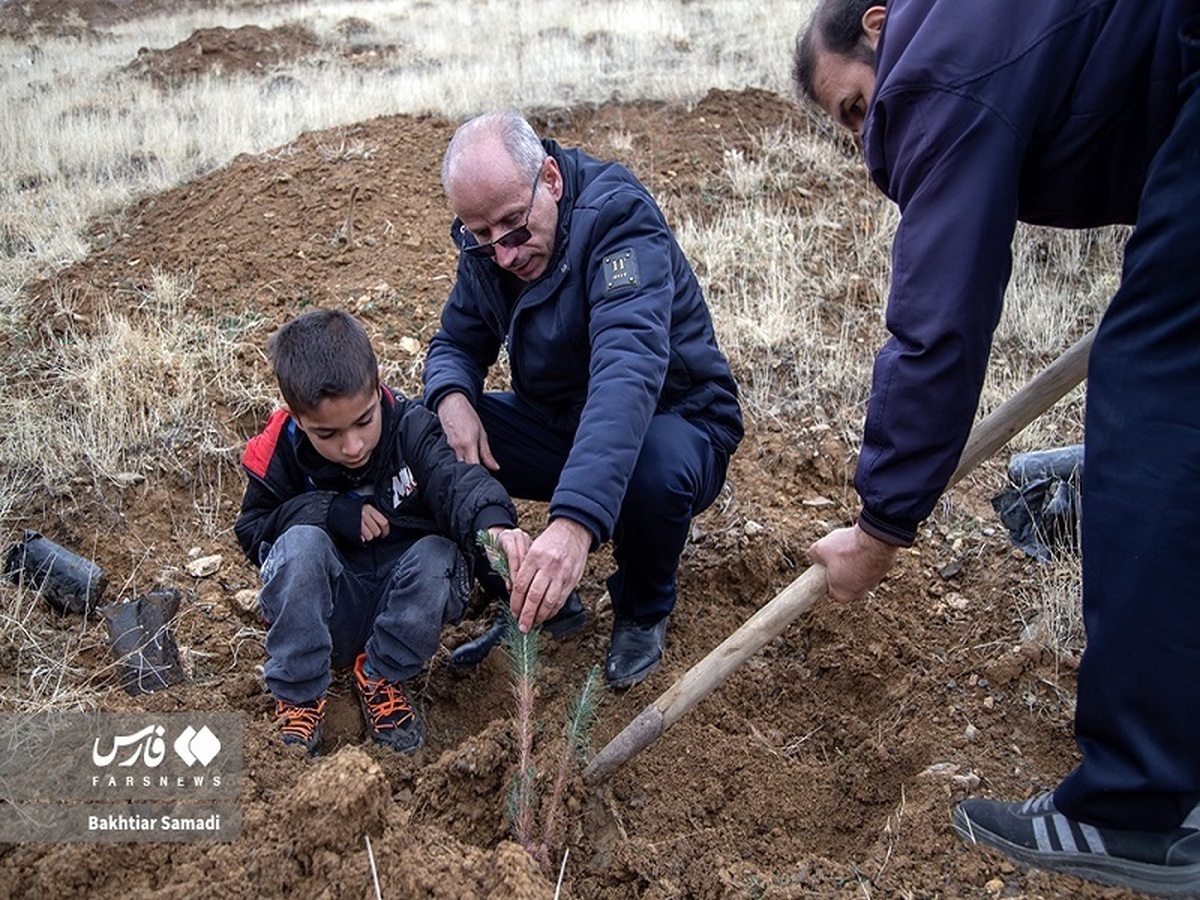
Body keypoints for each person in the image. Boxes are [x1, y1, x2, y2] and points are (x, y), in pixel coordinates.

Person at [794, 0, 1200, 893]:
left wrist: (880, 526)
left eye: (857, 109)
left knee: (1152, 406)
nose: (867, 148)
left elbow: (939, 324)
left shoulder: (937, 64)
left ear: (877, 23)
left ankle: (1135, 810)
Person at [424, 111, 744, 689]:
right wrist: (451, 398)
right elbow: (455, 341)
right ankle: (531, 595)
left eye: (514, 227)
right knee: (424, 437)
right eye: (480, 236)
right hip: (561, 422)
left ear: (550, 179)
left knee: (655, 468)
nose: (504, 254)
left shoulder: (619, 220)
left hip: (673, 419)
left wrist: (573, 524)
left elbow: (627, 374)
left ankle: (643, 609)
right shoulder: (494, 244)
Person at [235, 309, 530, 756]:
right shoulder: (280, 450)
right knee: (299, 545)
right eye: (327, 434)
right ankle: (299, 694)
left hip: (405, 609)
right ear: (295, 416)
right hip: (329, 607)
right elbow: (254, 530)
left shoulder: (411, 426)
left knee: (439, 556)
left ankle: (380, 676)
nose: (351, 446)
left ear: (378, 388)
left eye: (363, 421)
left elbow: (454, 481)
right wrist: (329, 511)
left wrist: (496, 528)